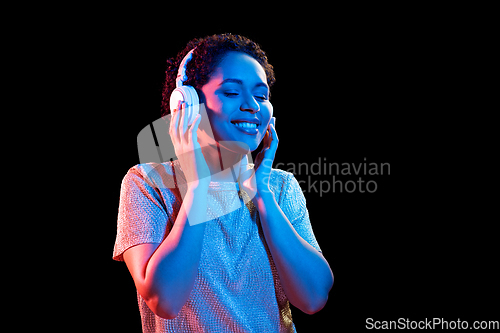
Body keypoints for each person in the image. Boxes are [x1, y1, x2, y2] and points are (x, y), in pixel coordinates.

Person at [113, 33, 334, 332]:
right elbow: (164, 300)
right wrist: (198, 186)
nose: (253, 106)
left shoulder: (280, 187)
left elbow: (314, 297)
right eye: (232, 93)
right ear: (187, 105)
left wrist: (263, 195)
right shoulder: (148, 183)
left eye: (262, 95)